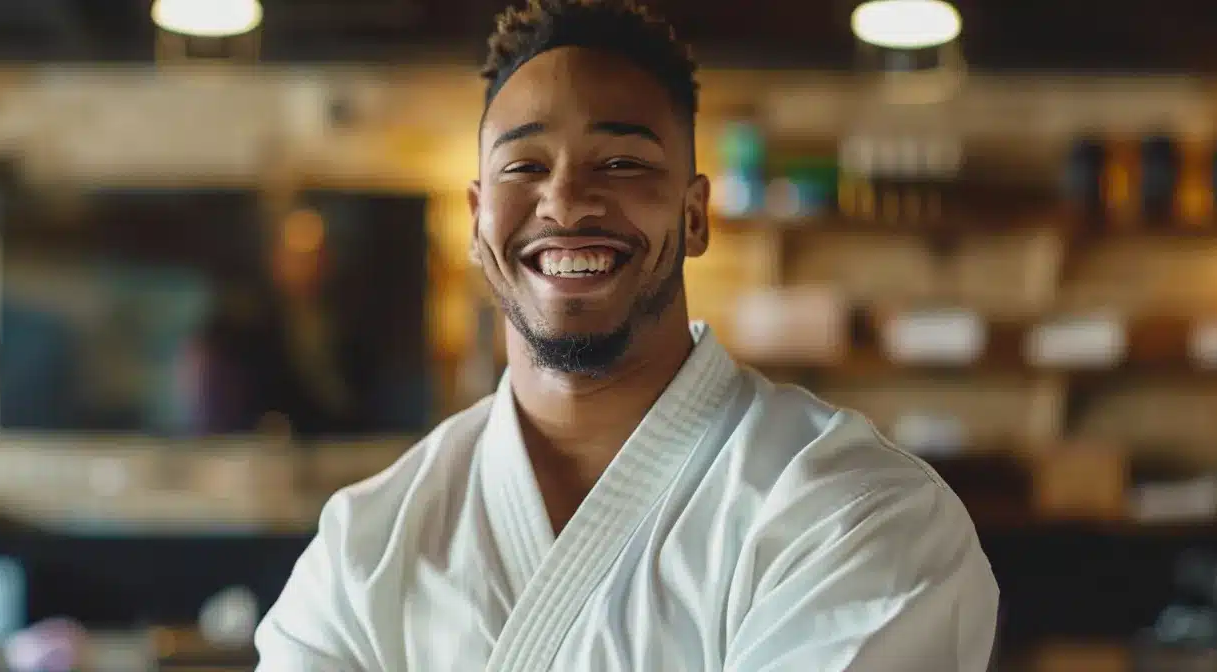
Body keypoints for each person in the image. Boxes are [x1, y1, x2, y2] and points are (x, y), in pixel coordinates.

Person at [255, 1, 999, 669]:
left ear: (695, 214)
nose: (568, 198)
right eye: (525, 164)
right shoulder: (366, 545)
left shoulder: (851, 513)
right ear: (480, 221)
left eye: (622, 162)